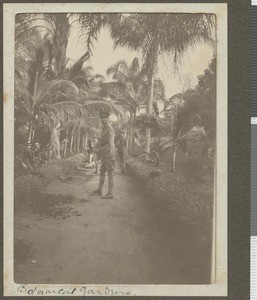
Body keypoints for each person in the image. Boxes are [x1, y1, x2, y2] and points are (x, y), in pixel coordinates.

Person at [93, 111, 115, 199]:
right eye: (101, 118)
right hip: (104, 155)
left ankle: (110, 193)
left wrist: (99, 150)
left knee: (110, 172)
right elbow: (102, 142)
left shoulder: (109, 129)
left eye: (104, 118)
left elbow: (110, 144)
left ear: (107, 119)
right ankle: (99, 190)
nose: (102, 119)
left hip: (109, 154)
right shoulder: (104, 128)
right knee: (102, 171)